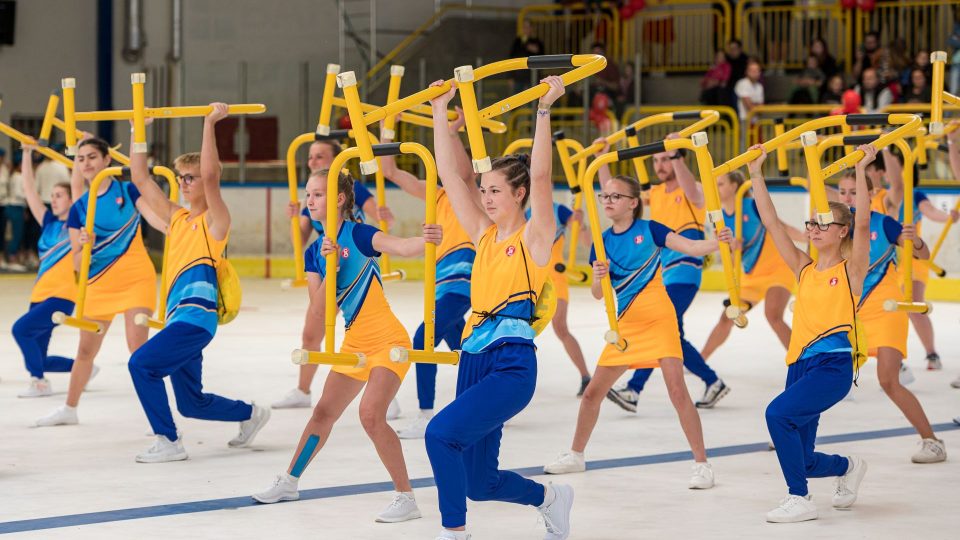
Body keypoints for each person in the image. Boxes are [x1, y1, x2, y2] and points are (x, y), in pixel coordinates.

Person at [424, 76, 573, 540]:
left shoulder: (536, 236)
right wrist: (438, 111)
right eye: (483, 190)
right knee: (479, 482)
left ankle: (455, 533)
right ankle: (550, 498)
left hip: (511, 362)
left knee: (438, 435)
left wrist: (544, 109)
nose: (485, 198)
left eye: (494, 191)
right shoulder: (482, 235)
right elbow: (450, 177)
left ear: (519, 194)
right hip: (474, 355)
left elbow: (544, 176)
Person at [252, 168, 441, 524]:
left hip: (388, 339)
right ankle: (290, 481)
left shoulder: (360, 234)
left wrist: (429, 239)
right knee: (323, 413)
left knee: (371, 415)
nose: (310, 201)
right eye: (308, 194)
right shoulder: (314, 253)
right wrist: (330, 264)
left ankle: (406, 497)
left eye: (318, 194)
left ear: (339, 199)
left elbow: (401, 246)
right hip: (356, 342)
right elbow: (321, 309)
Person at [543, 173, 728, 489]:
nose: (608, 201)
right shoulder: (601, 242)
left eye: (615, 196)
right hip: (626, 327)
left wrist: (718, 242)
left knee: (677, 391)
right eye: (605, 196)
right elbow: (598, 294)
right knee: (591, 394)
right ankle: (576, 454)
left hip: (660, 321)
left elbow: (691, 247)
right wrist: (600, 276)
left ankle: (702, 465)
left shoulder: (650, 230)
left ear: (632, 203)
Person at [125, 105, 270, 462]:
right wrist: (138, 131)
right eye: (181, 178)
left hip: (195, 320)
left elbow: (211, 172)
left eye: (190, 177)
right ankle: (251, 413)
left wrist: (209, 124)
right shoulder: (176, 219)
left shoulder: (215, 221)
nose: (184, 183)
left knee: (141, 365)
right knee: (192, 402)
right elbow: (140, 178)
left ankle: (168, 441)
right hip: (180, 320)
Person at [750, 144, 872, 524]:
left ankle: (799, 497)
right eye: (810, 224)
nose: (813, 230)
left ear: (842, 231)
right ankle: (847, 465)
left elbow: (865, 224)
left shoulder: (851, 270)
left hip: (832, 366)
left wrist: (862, 168)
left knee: (777, 415)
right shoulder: (804, 269)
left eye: (822, 224)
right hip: (799, 365)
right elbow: (771, 223)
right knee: (802, 457)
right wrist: (756, 173)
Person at [35, 135, 163, 427]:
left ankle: (159, 416)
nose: (86, 163)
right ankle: (69, 408)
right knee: (85, 351)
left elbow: (157, 220)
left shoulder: (127, 190)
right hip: (99, 283)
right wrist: (85, 245)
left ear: (107, 160)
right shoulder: (79, 208)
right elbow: (78, 264)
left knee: (138, 351)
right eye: (80, 159)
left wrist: (177, 228)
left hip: (135, 278)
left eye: (92, 157)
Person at [271, 137, 398, 414]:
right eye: (311, 157)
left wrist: (382, 216)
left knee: (369, 325)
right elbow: (301, 240)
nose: (312, 161)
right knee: (312, 329)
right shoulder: (313, 199)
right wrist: (294, 219)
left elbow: (379, 214)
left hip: (354, 259)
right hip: (331, 264)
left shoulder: (353, 188)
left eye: (319, 157)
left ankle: (386, 388)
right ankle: (303, 390)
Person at [606, 135, 730, 411]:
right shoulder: (655, 194)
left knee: (662, 328)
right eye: (657, 160)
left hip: (684, 270)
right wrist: (603, 157)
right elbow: (615, 194)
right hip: (662, 274)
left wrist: (676, 154)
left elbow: (696, 194)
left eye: (665, 159)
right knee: (672, 333)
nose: (660, 165)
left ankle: (634, 389)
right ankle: (712, 381)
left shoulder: (690, 188)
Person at [834, 170, 946, 464]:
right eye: (843, 192)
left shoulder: (884, 223)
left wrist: (916, 241)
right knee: (821, 374)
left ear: (870, 194)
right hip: (851, 313)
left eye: (854, 191)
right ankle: (793, 429)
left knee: (888, 380)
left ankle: (932, 441)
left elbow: (923, 254)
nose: (848, 198)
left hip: (885, 310)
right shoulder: (837, 227)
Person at [379, 110, 476, 439]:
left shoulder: (471, 194)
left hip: (463, 281)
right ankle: (481, 400)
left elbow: (461, 173)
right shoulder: (437, 196)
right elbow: (390, 171)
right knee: (464, 346)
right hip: (441, 282)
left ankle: (425, 411)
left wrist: (452, 132)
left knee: (423, 340)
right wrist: (386, 131)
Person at [700, 171, 806, 364]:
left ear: (734, 186)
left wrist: (806, 237)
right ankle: (701, 359)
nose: (715, 188)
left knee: (773, 315)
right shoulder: (720, 219)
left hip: (777, 269)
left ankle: (802, 362)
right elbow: (731, 262)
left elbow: (780, 227)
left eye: (721, 183)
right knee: (727, 317)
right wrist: (733, 250)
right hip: (750, 275)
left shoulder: (752, 206)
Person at [11, 145, 76, 397]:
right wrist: (27, 154)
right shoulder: (48, 222)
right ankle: (83, 367)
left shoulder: (76, 226)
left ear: (72, 199)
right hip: (39, 296)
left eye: (60, 194)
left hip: (61, 297)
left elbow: (84, 190)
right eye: (53, 194)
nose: (54, 198)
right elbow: (29, 190)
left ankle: (39, 382)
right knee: (39, 354)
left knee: (20, 330)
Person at [525, 201, 591, 395]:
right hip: (531, 279)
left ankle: (586, 376)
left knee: (560, 327)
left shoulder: (558, 210)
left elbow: (586, 242)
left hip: (555, 277)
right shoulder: (524, 213)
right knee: (522, 331)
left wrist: (581, 223)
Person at [1, 150, 27, 271]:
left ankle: (12, 257)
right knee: (16, 234)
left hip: (12, 206)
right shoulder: (19, 176)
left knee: (15, 234)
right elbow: (18, 193)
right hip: (15, 206)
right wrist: (30, 196)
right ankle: (12, 258)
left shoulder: (11, 174)